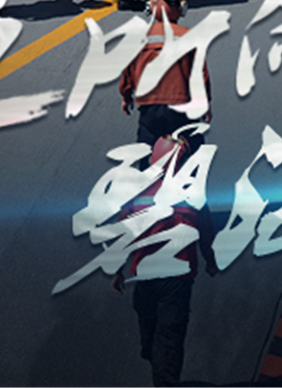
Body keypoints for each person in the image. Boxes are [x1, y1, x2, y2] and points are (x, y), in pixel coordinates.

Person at [112, 132, 218, 388]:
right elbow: (206, 231)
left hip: (145, 275)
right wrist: (210, 261)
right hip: (177, 278)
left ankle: (160, 372)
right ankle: (164, 375)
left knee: (150, 330)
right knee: (170, 335)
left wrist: (117, 269)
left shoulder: (138, 191)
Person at [120, 0, 212, 150]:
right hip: (182, 105)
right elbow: (200, 76)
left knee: (145, 149)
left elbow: (129, 73)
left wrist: (126, 96)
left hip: (150, 106)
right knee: (195, 148)